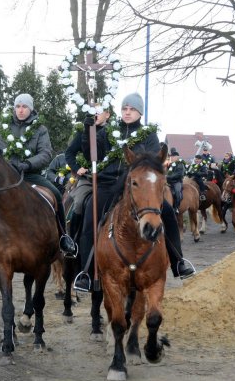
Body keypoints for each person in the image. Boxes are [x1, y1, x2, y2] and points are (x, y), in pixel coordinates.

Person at [74, 92, 195, 292]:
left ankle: (178, 261)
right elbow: (91, 154)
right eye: (124, 109)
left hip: (138, 187)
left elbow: (152, 162)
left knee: (167, 212)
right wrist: (90, 128)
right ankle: (86, 272)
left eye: (132, 109)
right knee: (89, 215)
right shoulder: (108, 131)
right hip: (108, 183)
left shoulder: (148, 135)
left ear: (140, 113)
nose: (127, 112)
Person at [0, 93, 76, 258]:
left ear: (31, 109)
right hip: (6, 179)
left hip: (31, 175)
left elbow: (45, 153)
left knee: (56, 194)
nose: (21, 110)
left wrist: (27, 164)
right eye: (18, 106)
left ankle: (63, 237)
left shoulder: (40, 129)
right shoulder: (1, 126)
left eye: (24, 107)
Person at [63, 105, 112, 242]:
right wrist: (77, 168)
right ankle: (72, 241)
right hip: (89, 179)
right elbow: (69, 153)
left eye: (98, 112)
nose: (95, 115)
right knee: (78, 202)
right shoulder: (84, 132)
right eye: (92, 112)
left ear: (107, 114)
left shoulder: (113, 133)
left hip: (109, 179)